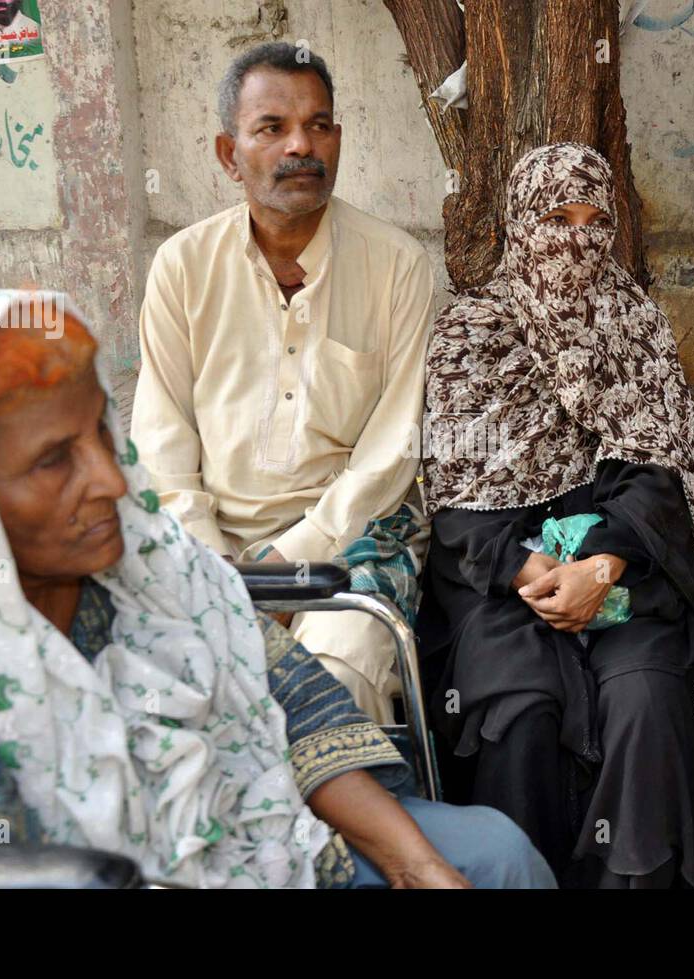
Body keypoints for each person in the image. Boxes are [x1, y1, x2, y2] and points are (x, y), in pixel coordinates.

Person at [0, 289, 555, 890]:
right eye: (52, 461)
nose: (109, 479)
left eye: (100, 431)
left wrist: (413, 864)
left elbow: (287, 697)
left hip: (257, 838)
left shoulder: (144, 559)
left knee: (495, 854)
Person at [418, 142, 694, 888]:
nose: (576, 239)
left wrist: (601, 564)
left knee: (646, 698)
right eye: (556, 216)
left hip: (622, 569)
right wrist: (529, 565)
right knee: (519, 712)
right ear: (520, 223)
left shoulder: (634, 324)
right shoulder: (472, 334)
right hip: (502, 576)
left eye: (595, 221)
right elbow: (452, 502)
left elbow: (657, 482)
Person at [132, 42, 435, 725]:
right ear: (227, 153)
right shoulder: (182, 266)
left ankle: (349, 830)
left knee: (334, 677)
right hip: (213, 541)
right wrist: (215, 566)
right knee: (172, 685)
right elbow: (160, 439)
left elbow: (394, 449)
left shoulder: (398, 265)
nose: (302, 145)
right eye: (272, 128)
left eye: (319, 124)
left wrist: (291, 557)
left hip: (354, 539)